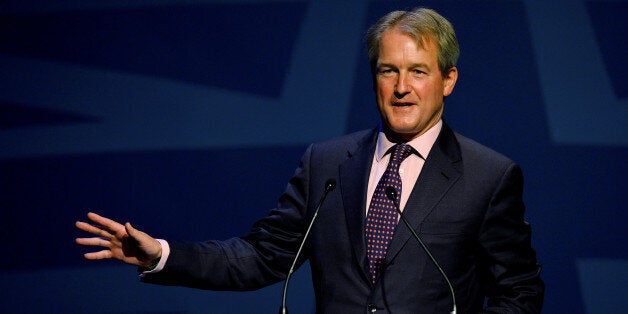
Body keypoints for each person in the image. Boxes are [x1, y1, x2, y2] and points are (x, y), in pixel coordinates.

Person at [76, 7, 544, 313]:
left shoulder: (488, 175)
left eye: (418, 71)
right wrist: (162, 254)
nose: (402, 87)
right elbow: (261, 257)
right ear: (375, 78)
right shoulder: (328, 164)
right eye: (388, 70)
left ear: (448, 80)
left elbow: (519, 293)